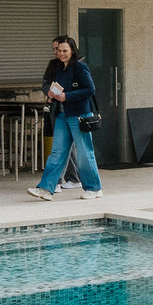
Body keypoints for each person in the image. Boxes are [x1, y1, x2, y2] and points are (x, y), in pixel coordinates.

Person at [27, 34, 103, 201]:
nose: (60, 54)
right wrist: (51, 93)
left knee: (84, 153)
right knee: (57, 152)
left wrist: (66, 96)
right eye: (59, 51)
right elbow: (50, 84)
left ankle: (94, 188)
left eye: (64, 51)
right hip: (62, 114)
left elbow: (90, 90)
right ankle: (46, 188)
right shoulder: (58, 67)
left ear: (72, 51)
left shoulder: (80, 67)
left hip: (79, 115)